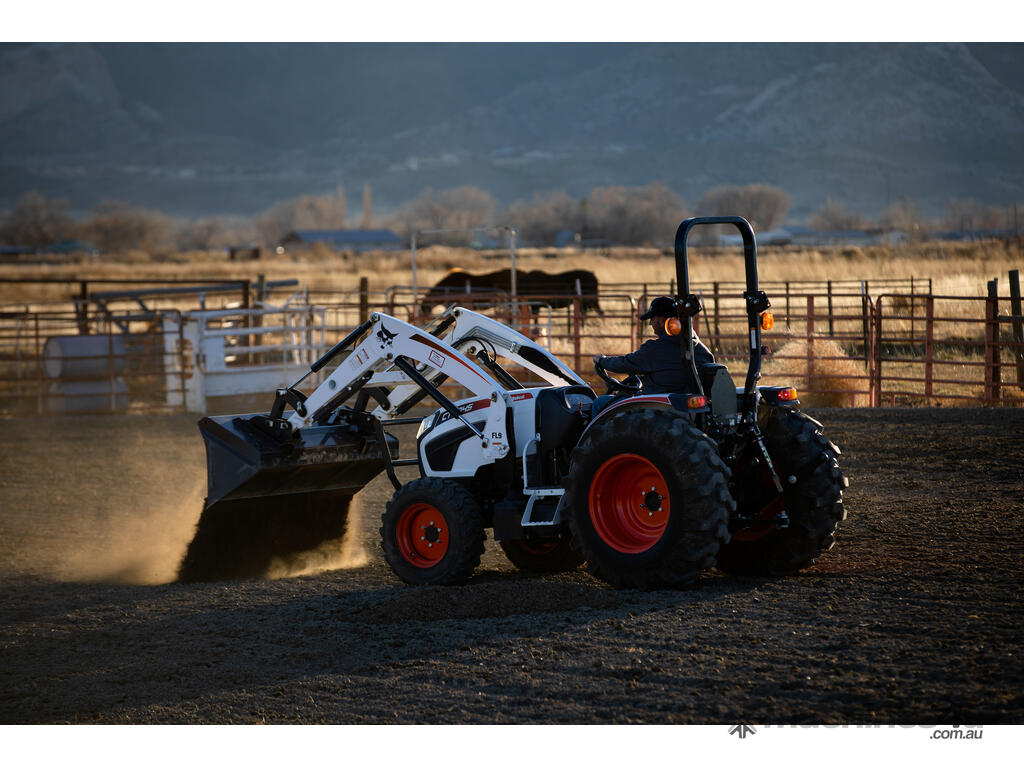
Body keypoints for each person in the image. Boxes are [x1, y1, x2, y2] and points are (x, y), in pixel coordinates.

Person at [593, 295, 715, 395]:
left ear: (661, 320)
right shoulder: (701, 349)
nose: (651, 323)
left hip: (659, 402)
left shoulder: (655, 349)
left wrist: (602, 361)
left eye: (652, 318)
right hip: (687, 403)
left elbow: (625, 363)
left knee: (600, 403)